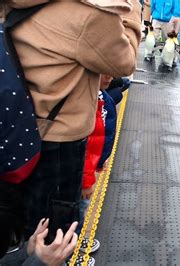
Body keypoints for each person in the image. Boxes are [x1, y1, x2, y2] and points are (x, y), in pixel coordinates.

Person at [5, 0, 141, 242]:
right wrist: (133, 12)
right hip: (59, 146)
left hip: (17, 133)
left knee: (24, 227)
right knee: (56, 235)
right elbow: (124, 61)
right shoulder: (89, 12)